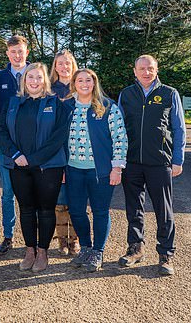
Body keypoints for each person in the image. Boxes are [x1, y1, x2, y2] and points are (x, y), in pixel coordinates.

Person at [117, 55, 186, 276]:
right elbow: (118, 130)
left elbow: (179, 128)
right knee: (133, 208)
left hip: (160, 162)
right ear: (134, 71)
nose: (146, 72)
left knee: (163, 210)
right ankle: (135, 248)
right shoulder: (126, 94)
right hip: (132, 162)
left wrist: (177, 160)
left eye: (151, 68)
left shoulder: (169, 93)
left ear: (157, 70)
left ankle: (166, 254)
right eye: (142, 69)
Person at [0, 63, 67, 272]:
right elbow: (2, 131)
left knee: (46, 210)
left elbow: (59, 137)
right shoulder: (12, 103)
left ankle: (43, 252)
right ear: (24, 80)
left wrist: (35, 158)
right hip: (18, 165)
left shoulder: (56, 104)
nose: (34, 82)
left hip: (48, 167)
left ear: (44, 80)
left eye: (38, 78)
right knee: (26, 209)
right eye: (30, 78)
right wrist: (16, 155)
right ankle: (30, 250)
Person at [62, 69, 128, 272]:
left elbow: (120, 138)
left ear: (94, 83)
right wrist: (61, 167)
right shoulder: (67, 106)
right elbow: (58, 139)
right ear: (74, 83)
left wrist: (117, 167)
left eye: (88, 80)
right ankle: (85, 248)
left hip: (100, 171)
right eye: (79, 80)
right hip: (73, 170)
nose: (84, 84)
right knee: (76, 211)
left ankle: (98, 251)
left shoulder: (108, 106)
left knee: (100, 211)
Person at [0, 35, 29, 256]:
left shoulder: (37, 76)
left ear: (27, 52)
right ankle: (8, 236)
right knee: (8, 193)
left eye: (20, 51)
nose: (17, 55)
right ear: (7, 53)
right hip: (6, 146)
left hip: (32, 146)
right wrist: (0, 137)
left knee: (30, 193)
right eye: (13, 51)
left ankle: (31, 239)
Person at [49, 50, 80, 256]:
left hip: (78, 152)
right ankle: (62, 240)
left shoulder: (82, 87)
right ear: (55, 66)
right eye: (60, 63)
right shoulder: (49, 90)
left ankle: (75, 239)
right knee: (60, 201)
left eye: (67, 63)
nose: (64, 67)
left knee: (76, 198)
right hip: (57, 152)